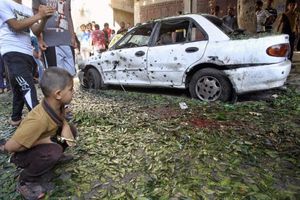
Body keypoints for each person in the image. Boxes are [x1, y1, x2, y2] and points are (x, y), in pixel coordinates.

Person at [0, 67, 76, 200]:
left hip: (41, 142)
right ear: (58, 94)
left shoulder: (57, 105)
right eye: (70, 89)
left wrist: (64, 125)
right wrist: (45, 140)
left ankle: (53, 156)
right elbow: (11, 147)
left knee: (72, 130)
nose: (73, 92)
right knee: (53, 150)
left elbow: (61, 118)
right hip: (21, 153)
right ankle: (26, 180)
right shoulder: (38, 120)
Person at [0, 0, 55, 126]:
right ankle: (40, 125)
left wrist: (44, 19)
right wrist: (39, 15)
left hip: (27, 52)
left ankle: (16, 118)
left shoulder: (27, 9)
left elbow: (35, 30)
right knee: (28, 87)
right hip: (12, 50)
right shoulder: (3, 3)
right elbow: (16, 25)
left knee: (18, 86)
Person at [32, 0, 78, 77]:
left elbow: (69, 15)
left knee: (70, 76)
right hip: (50, 43)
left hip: (67, 41)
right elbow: (35, 16)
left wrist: (73, 37)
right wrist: (39, 39)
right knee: (55, 77)